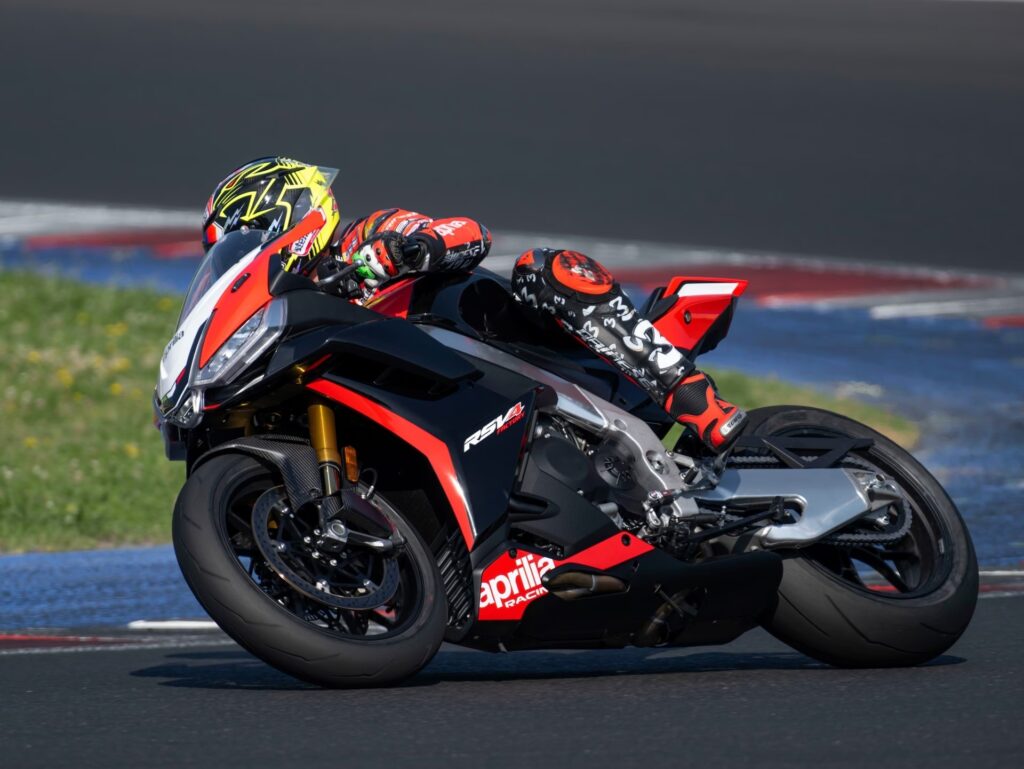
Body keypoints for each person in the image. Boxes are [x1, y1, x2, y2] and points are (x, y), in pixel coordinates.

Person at [202, 157, 746, 452]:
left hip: (518, 344)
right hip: (456, 402)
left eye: (246, 234)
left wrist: (415, 247)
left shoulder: (365, 235)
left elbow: (468, 232)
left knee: (544, 266)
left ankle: (692, 398)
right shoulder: (289, 312)